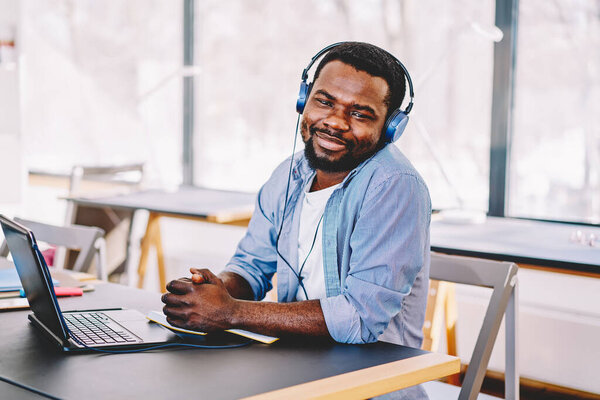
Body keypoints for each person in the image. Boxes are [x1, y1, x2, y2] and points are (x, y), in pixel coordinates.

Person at [161, 42, 431, 348]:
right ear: (304, 100)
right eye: (325, 102)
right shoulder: (290, 174)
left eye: (359, 114)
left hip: (370, 384)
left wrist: (231, 311)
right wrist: (213, 292)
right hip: (293, 363)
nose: (335, 122)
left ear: (391, 127)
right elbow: (250, 267)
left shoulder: (395, 185)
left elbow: (359, 318)